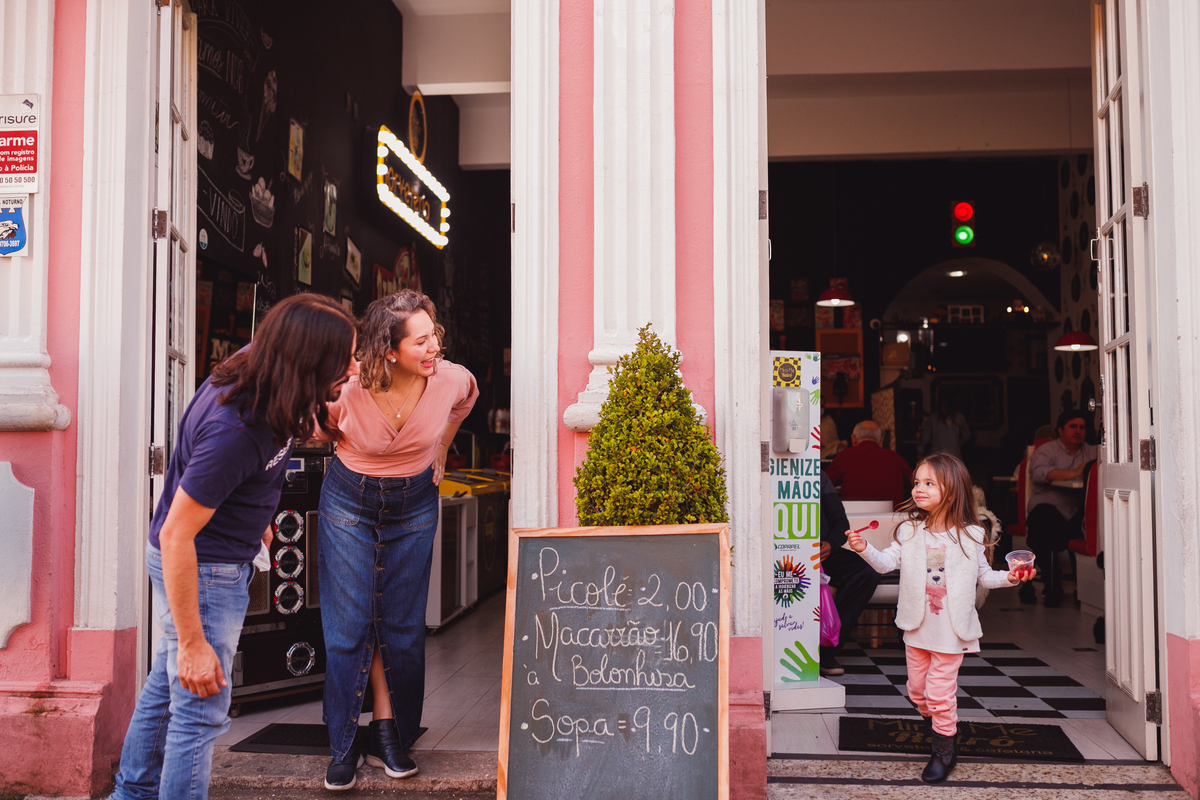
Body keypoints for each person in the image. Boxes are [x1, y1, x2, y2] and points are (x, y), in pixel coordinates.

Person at [110, 295, 358, 800]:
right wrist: (197, 642)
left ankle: (130, 794)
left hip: (217, 556)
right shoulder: (236, 430)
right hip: (202, 568)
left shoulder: (263, 369)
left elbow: (267, 454)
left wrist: (260, 514)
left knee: (167, 681)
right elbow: (176, 535)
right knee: (199, 710)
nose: (353, 367)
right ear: (309, 363)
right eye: (344, 360)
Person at [318, 290, 479, 791]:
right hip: (349, 502)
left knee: (403, 626)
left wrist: (442, 449)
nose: (435, 348)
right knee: (350, 627)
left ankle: (390, 734)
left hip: (414, 502)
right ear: (389, 351)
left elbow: (464, 402)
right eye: (423, 341)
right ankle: (342, 744)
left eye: (436, 336)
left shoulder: (449, 379)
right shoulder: (347, 390)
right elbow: (323, 429)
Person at [846, 453, 1035, 783]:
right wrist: (863, 548)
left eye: (929, 483)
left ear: (952, 489)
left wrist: (1011, 578)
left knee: (938, 692)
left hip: (951, 630)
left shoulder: (972, 535)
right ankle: (942, 726)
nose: (919, 489)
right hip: (917, 626)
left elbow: (984, 576)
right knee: (917, 692)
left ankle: (943, 750)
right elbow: (884, 564)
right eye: (917, 482)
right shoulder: (909, 530)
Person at [1022, 410, 1097, 607]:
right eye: (1073, 427)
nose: (1078, 431)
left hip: (1076, 511)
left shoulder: (1093, 451)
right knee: (1046, 520)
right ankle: (1052, 585)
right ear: (1060, 430)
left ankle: (1086, 591)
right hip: (1047, 510)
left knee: (1091, 518)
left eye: (1082, 427)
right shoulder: (1046, 450)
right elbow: (1038, 474)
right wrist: (1075, 472)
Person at [817, 472, 881, 676]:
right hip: (783, 556)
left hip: (823, 553)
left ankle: (829, 649)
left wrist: (830, 543)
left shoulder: (819, 477)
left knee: (867, 572)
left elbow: (841, 523)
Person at [825, 420, 913, 509]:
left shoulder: (844, 457)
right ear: (880, 442)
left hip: (854, 520)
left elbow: (819, 485)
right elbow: (915, 484)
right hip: (892, 520)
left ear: (853, 439)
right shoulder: (897, 459)